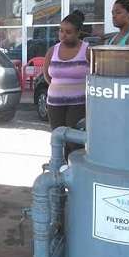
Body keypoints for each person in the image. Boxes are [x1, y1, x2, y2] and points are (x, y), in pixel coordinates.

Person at [42, 10, 89, 160]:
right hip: (55, 103)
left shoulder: (87, 50)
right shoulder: (53, 50)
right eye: (61, 31)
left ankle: (74, 168)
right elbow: (47, 74)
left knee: (74, 141)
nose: (63, 35)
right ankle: (59, 167)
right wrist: (59, 88)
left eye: (68, 32)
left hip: (78, 103)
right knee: (58, 138)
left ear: (78, 33)